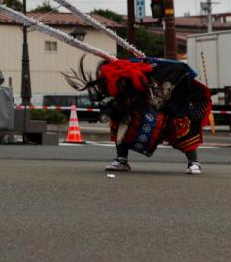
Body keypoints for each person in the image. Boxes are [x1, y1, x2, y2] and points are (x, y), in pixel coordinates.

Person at [83, 58, 212, 175]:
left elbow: (181, 84)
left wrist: (172, 110)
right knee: (119, 119)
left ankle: (193, 162)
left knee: (180, 124)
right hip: (144, 104)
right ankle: (121, 160)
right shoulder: (118, 82)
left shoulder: (168, 71)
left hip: (172, 98)